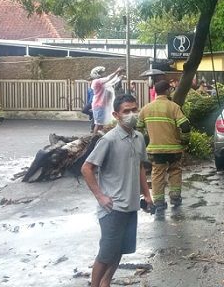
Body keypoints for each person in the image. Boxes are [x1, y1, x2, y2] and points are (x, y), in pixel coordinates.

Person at [81, 94, 153, 287]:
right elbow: (87, 168)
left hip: (130, 206)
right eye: (126, 111)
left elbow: (139, 167)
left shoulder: (138, 138)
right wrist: (100, 196)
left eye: (134, 109)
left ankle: (106, 283)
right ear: (116, 115)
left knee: (120, 249)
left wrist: (146, 194)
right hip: (113, 208)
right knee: (106, 254)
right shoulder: (109, 140)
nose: (131, 114)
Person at [137, 80, 191, 212]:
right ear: (167, 91)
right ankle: (175, 197)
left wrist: (147, 140)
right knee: (175, 171)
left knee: (157, 173)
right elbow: (185, 125)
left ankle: (159, 202)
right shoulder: (173, 107)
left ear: (155, 91)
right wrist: (184, 140)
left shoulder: (146, 108)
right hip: (174, 149)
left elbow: (138, 129)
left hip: (155, 150)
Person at [91, 66, 125, 133]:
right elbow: (108, 78)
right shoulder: (97, 81)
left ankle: (98, 138)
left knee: (102, 124)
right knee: (98, 125)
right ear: (98, 74)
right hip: (99, 105)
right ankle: (94, 139)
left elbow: (111, 81)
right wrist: (117, 71)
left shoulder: (102, 82)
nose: (104, 73)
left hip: (102, 105)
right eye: (102, 72)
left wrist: (118, 76)